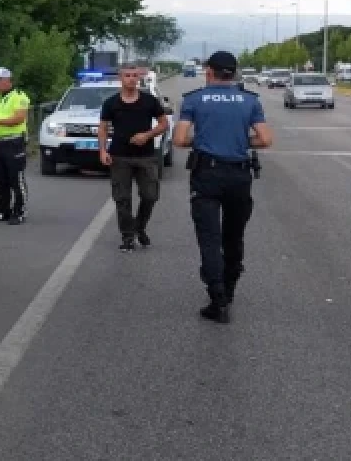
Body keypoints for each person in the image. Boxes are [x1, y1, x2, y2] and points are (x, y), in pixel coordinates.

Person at [172, 51, 273, 324]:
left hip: (207, 174)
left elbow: (180, 140)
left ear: (209, 71)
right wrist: (240, 141)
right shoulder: (250, 101)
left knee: (209, 237)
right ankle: (229, 289)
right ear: (234, 72)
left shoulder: (194, 99)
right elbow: (265, 139)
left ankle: (217, 299)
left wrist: (204, 139)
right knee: (233, 235)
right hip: (239, 176)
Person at [98, 63, 170, 252]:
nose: (131, 79)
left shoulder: (149, 101)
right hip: (119, 156)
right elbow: (103, 127)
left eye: (134, 75)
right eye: (127, 75)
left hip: (145, 156)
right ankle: (128, 236)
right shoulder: (111, 103)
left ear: (139, 78)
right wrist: (103, 151)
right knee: (122, 199)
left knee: (150, 196)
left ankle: (140, 227)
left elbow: (163, 124)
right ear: (120, 78)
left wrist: (147, 135)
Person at [0, 68, 30, 225]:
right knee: (1, 180)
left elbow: (19, 118)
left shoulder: (19, 96)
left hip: (13, 142)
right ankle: (3, 210)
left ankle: (20, 211)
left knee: (16, 178)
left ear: (8, 81)